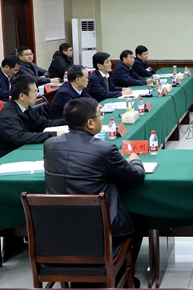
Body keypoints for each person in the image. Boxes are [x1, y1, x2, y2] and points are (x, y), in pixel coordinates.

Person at [44, 97, 146, 279]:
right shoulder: (105, 149)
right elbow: (135, 178)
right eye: (100, 115)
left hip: (57, 230)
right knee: (139, 218)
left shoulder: (50, 145)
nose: (102, 119)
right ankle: (120, 275)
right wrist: (135, 160)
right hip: (97, 229)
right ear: (90, 123)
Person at [0, 75, 66, 160]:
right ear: (22, 96)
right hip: (7, 156)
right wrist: (53, 134)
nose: (37, 95)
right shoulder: (7, 115)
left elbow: (44, 123)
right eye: (34, 92)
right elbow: (20, 137)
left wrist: (69, 121)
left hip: (23, 149)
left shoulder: (26, 107)